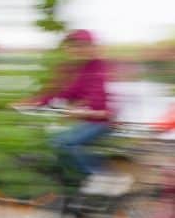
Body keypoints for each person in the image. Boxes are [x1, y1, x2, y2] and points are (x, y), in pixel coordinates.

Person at [15, 28, 118, 193]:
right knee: (53, 143)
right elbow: (58, 92)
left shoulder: (98, 67)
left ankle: (103, 176)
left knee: (64, 143)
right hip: (84, 120)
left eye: (83, 46)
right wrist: (32, 103)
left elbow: (97, 97)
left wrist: (82, 110)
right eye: (73, 46)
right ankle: (76, 191)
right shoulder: (71, 69)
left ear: (92, 47)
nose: (77, 49)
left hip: (101, 121)